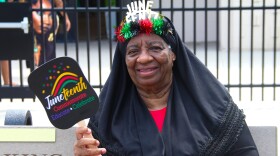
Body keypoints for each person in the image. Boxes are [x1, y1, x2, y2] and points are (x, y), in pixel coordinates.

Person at [73, 1, 259, 155]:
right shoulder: (107, 116)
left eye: (155, 48)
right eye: (133, 51)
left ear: (173, 54)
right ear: (124, 60)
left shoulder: (214, 108)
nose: (144, 58)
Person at [32, 0, 71, 66]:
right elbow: (58, 2)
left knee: (42, 48)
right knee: (47, 48)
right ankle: (44, 70)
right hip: (44, 18)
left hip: (37, 18)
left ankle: (40, 70)